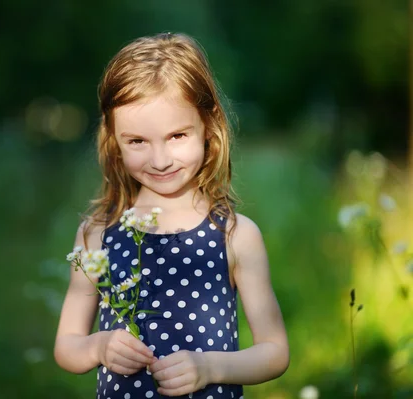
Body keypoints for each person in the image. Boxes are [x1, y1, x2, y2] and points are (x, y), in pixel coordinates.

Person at [54, 32, 289, 399]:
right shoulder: (98, 234)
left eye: (177, 136)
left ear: (208, 127)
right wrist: (99, 347)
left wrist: (211, 367)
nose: (160, 160)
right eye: (137, 142)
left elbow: (274, 352)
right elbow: (67, 344)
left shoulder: (234, 235)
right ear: (114, 139)